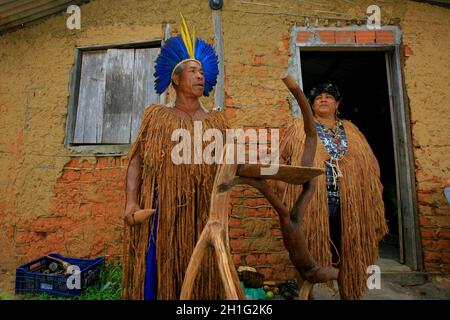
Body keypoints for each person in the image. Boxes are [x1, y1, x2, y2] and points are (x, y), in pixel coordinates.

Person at [121, 16, 234, 300]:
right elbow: (136, 160)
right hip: (164, 212)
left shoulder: (217, 122)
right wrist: (131, 201)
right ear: (176, 78)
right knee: (161, 270)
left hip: (205, 212)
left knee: (203, 274)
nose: (199, 76)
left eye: (201, 72)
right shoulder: (157, 117)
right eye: (192, 71)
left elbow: (230, 166)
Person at [280, 83, 388, 299]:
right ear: (311, 104)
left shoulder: (352, 130)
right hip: (312, 202)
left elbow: (372, 162)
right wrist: (284, 185)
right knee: (307, 248)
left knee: (349, 248)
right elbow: (281, 156)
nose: (323, 99)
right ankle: (307, 295)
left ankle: (349, 292)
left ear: (337, 103)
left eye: (329, 96)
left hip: (351, 203)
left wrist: (373, 186)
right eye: (318, 97)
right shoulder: (298, 127)